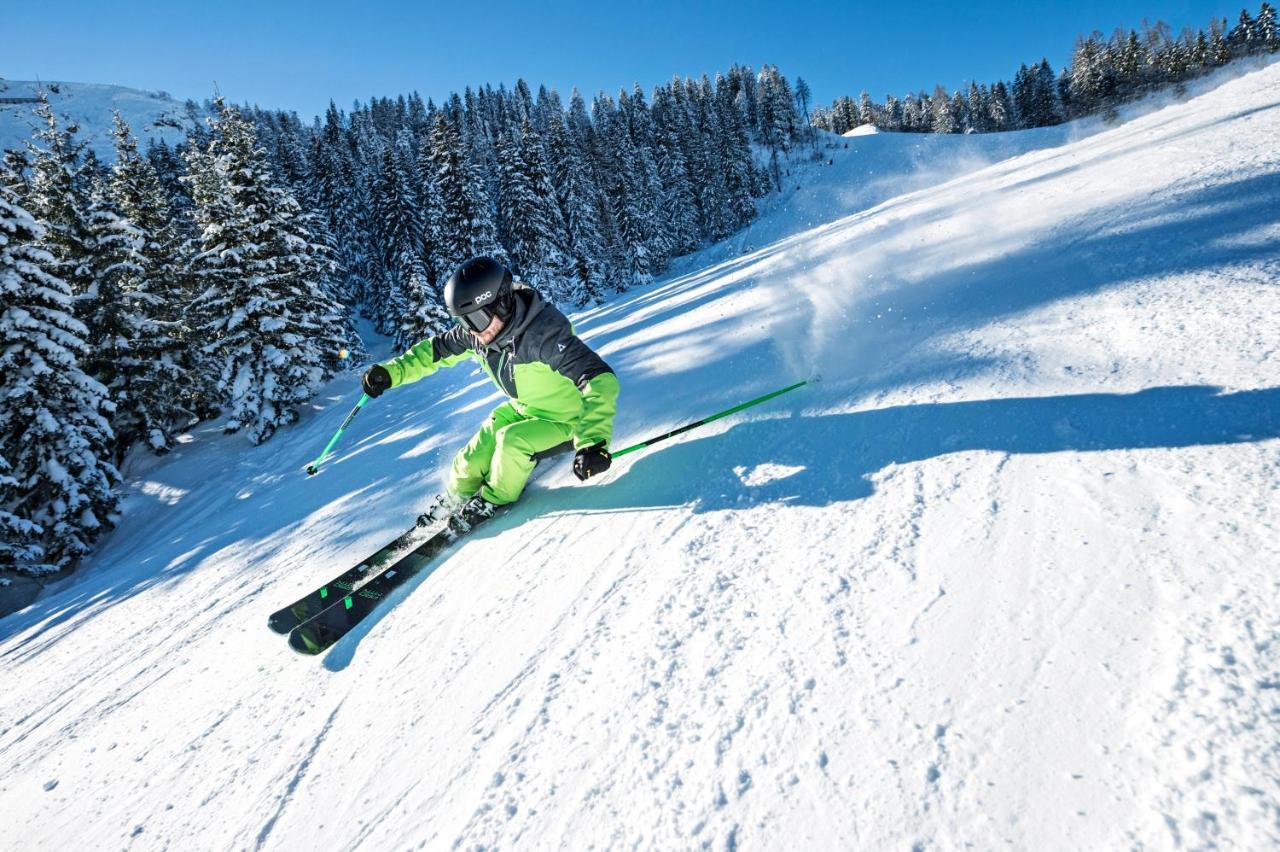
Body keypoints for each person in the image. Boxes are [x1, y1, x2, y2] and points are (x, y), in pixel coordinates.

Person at [360, 256, 620, 527]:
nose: (473, 331)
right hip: (524, 409)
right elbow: (434, 351)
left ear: (503, 303)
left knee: (512, 441)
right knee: (470, 460)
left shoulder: (543, 334)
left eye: (477, 319)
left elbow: (600, 378)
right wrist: (391, 373)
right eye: (465, 322)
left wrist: (593, 442)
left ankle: (495, 499)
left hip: (568, 419)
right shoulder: (479, 334)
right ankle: (456, 497)